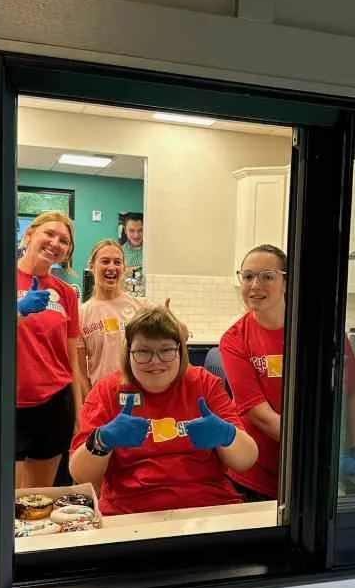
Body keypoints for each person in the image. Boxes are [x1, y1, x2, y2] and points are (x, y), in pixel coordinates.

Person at [219, 244, 355, 501]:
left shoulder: (323, 331)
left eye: (267, 276)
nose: (255, 286)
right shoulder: (234, 340)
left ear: (287, 282)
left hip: (310, 474)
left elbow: (352, 391)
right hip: (256, 474)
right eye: (247, 276)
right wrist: (321, 452)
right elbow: (261, 416)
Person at [69, 306, 258, 515]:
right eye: (143, 352)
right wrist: (102, 441)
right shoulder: (108, 391)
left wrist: (227, 436)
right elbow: (80, 473)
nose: (155, 361)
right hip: (131, 514)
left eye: (166, 350)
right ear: (128, 353)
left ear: (180, 351)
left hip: (209, 508)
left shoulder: (204, 384)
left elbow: (246, 460)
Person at [14, 211, 84, 490]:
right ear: (29, 234)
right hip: (9, 404)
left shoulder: (66, 293)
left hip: (55, 404)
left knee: (37, 498)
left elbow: (72, 360)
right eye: (50, 234)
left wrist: (79, 412)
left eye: (64, 241)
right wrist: (16, 310)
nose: (56, 243)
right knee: (6, 503)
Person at [78, 240, 143, 388]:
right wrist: (91, 403)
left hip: (139, 395)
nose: (112, 267)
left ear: (124, 268)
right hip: (102, 399)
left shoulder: (141, 308)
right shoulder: (81, 314)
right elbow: (81, 373)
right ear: (92, 267)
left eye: (117, 262)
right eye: (105, 261)